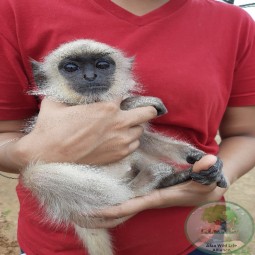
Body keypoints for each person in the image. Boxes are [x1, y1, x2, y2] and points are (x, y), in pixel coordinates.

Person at [0, 0, 254, 254]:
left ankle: (157, 180)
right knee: (39, 174)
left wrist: (217, 173)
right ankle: (140, 187)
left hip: (196, 231)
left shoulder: (235, 23)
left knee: (139, 136)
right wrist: (33, 151)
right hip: (62, 237)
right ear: (45, 76)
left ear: (125, 69)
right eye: (71, 68)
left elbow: (246, 133)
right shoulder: (15, 9)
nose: (89, 77)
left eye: (101, 66)